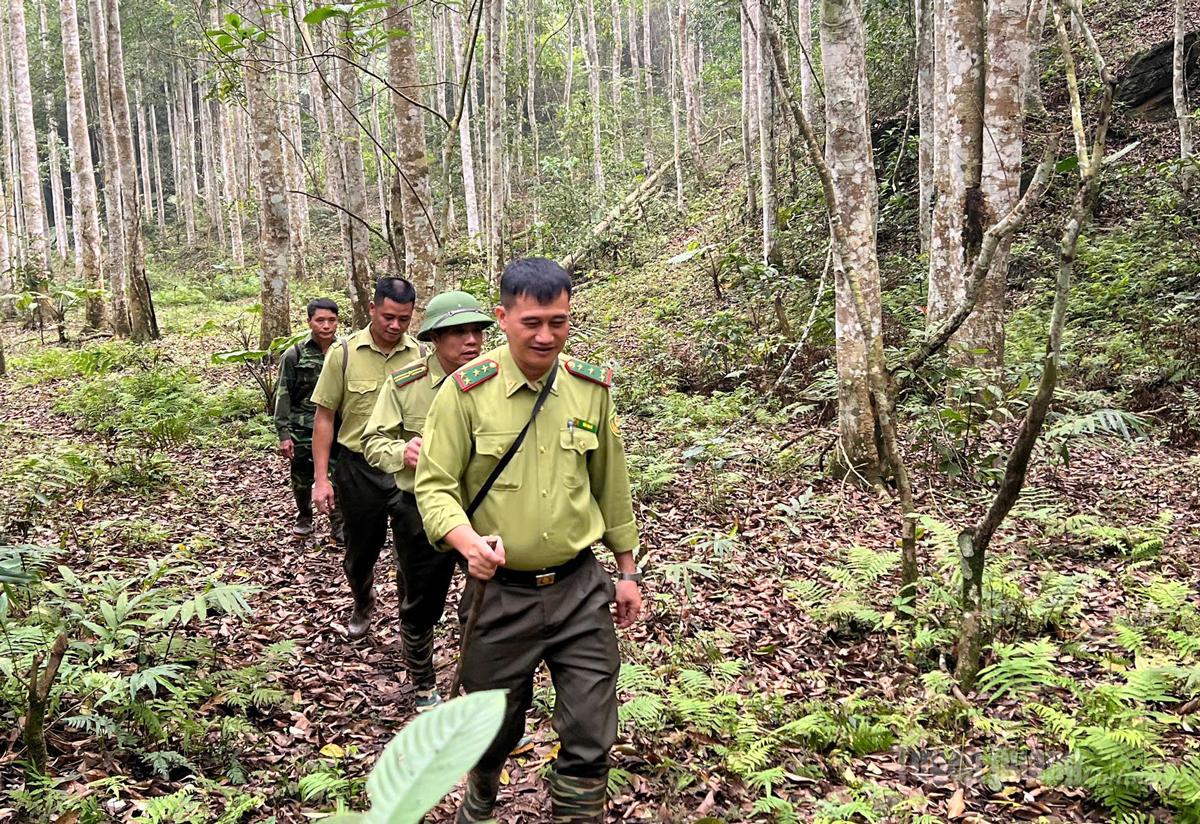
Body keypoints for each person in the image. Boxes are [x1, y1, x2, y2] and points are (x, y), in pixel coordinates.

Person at [415, 258, 643, 823]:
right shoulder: (465, 393)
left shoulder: (590, 389)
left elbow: (610, 482)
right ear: (503, 317)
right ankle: (483, 793)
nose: (546, 336)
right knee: (494, 725)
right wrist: (468, 543)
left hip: (580, 588)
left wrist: (628, 570)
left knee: (592, 727)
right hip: (500, 596)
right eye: (532, 322)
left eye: (559, 322)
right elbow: (435, 487)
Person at [360, 290, 494, 710]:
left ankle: (475, 679)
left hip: (482, 508)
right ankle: (423, 682)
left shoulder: (497, 381)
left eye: (476, 331)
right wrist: (404, 453)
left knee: (485, 600)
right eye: (457, 332)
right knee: (421, 600)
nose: (470, 341)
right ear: (435, 337)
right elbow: (372, 442)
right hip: (418, 510)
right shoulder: (406, 383)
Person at [311, 277, 422, 639]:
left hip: (407, 468)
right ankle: (362, 599)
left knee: (413, 549)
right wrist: (322, 478)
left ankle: (411, 618)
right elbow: (325, 418)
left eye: (403, 319)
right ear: (372, 309)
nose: (394, 326)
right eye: (388, 316)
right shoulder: (343, 354)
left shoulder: (421, 355)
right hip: (358, 469)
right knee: (360, 550)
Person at [273, 298, 344, 542]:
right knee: (302, 476)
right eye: (320, 320)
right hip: (303, 427)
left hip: (338, 426)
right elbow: (283, 394)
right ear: (309, 322)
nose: (326, 326)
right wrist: (283, 434)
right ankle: (304, 517)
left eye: (331, 320)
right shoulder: (295, 354)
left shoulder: (343, 351)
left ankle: (338, 525)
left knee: (338, 474)